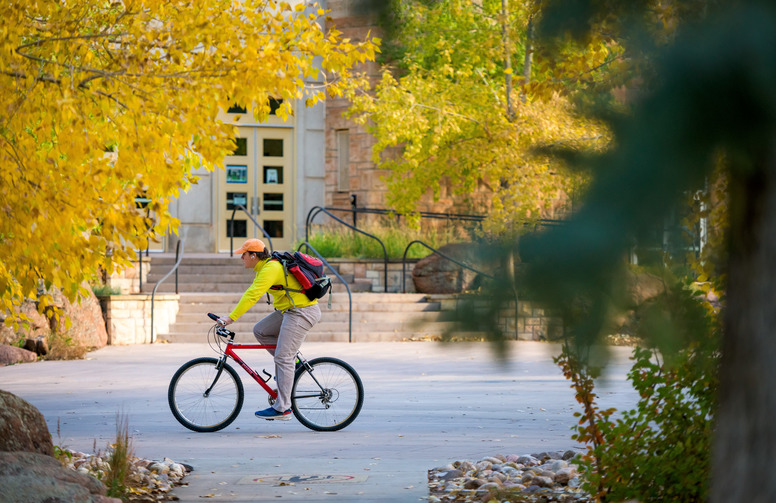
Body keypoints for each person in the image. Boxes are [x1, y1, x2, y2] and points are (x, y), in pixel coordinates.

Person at [218, 238, 321, 420]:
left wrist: (230, 318)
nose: (242, 258)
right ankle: (293, 364)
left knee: (283, 357)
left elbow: (252, 295)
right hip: (289, 311)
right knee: (261, 331)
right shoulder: (263, 269)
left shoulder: (270, 268)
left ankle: (283, 408)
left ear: (254, 255)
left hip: (302, 312)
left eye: (244, 254)